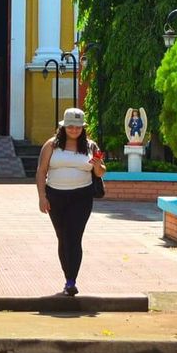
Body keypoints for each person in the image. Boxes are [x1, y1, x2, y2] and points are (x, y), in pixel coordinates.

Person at [35, 107, 106, 296]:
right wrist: (42, 196)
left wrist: (99, 166)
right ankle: (68, 277)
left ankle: (71, 281)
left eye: (78, 127)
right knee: (62, 237)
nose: (74, 130)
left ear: (83, 128)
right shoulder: (51, 145)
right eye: (70, 126)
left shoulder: (91, 146)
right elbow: (41, 171)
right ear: (63, 127)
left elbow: (99, 173)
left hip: (81, 198)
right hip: (55, 197)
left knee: (73, 237)